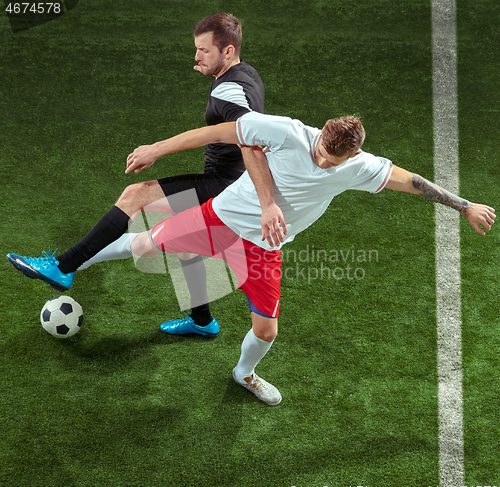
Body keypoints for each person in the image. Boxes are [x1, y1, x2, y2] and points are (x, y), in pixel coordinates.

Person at [7, 111, 495, 405]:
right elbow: (219, 133)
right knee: (140, 246)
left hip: (264, 250)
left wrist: (464, 204)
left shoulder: (359, 166)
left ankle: (243, 374)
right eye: (322, 149)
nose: (322, 160)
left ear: (351, 157)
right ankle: (65, 267)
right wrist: (156, 148)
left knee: (267, 330)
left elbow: (413, 182)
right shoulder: (286, 131)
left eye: (332, 159)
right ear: (321, 132)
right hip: (217, 219)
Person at [17, 13, 269, 339]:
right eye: (197, 48)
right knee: (186, 243)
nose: (196, 56)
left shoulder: (230, 90)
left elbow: (249, 135)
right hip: (232, 184)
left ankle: (63, 266)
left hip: (227, 186)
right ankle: (203, 320)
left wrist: (157, 149)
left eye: (204, 50)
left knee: (136, 194)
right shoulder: (245, 74)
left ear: (228, 51)